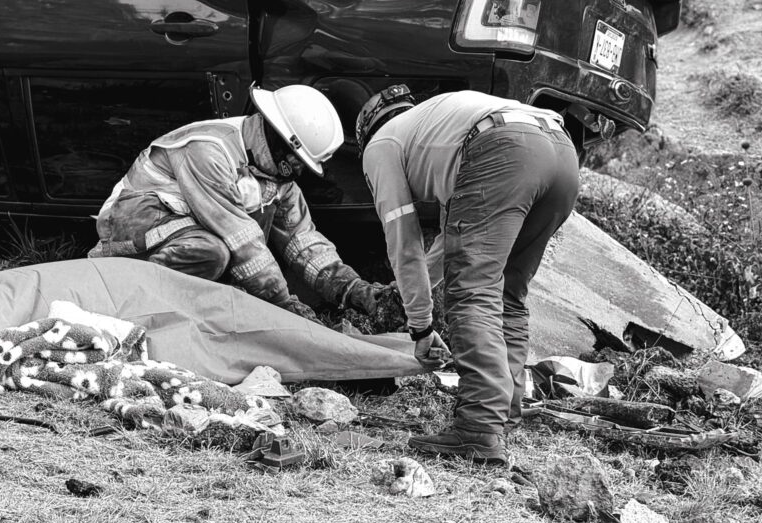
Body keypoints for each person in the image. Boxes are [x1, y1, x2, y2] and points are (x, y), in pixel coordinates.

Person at [356, 85, 580, 463]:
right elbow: (449, 243)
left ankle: (478, 427)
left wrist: (421, 328)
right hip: (560, 151)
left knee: (472, 292)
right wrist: (414, 294)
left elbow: (404, 242)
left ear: (367, 131)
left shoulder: (381, 146)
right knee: (507, 293)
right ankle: (504, 411)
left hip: (505, 149)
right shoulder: (436, 122)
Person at [89, 84, 384, 320]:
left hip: (184, 226)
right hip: (134, 221)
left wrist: (354, 290)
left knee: (228, 245)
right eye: (297, 161)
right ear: (280, 139)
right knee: (211, 252)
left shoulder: (274, 174)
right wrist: (283, 307)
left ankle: (208, 303)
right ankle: (134, 297)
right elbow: (241, 240)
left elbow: (304, 241)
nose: (297, 171)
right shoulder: (209, 151)